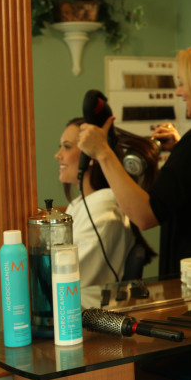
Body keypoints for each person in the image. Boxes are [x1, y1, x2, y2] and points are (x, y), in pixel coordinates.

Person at [78, 41, 191, 277]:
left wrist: (103, 153)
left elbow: (144, 216)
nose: (178, 91)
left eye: (183, 83)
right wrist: (181, 149)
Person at [56, 118, 158, 287]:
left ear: (89, 154)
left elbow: (68, 279)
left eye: (67, 147)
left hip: (88, 309)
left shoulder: (103, 207)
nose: (58, 155)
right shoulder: (80, 204)